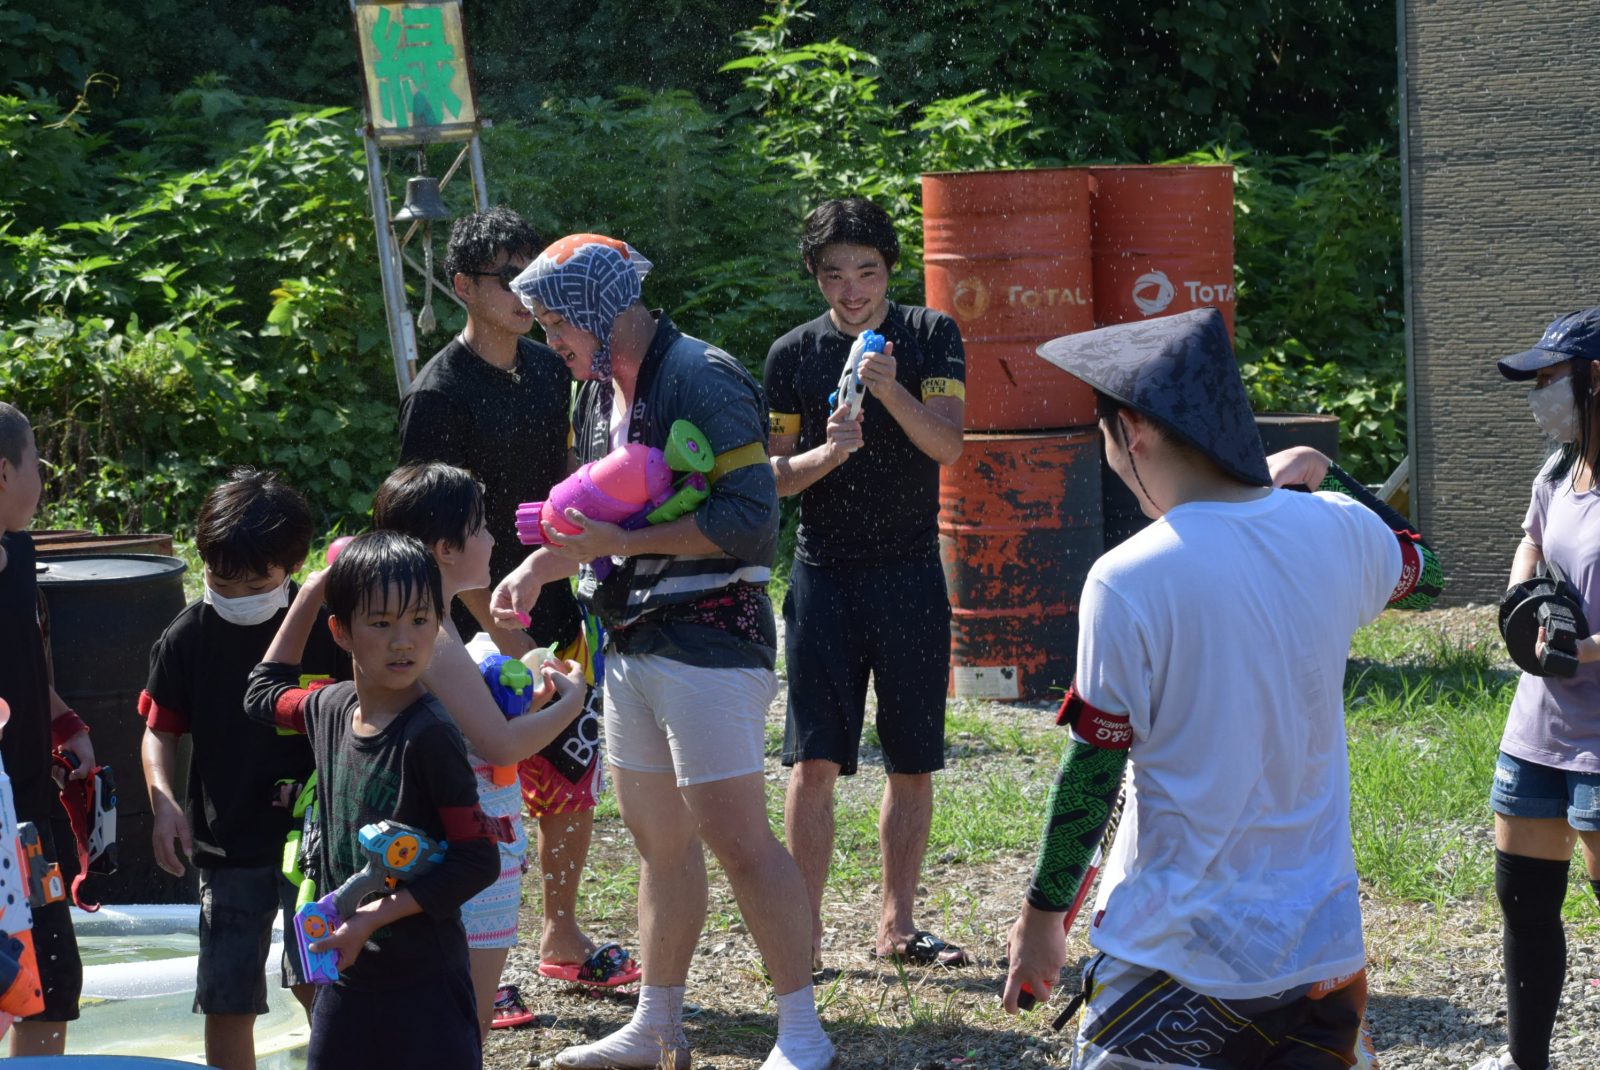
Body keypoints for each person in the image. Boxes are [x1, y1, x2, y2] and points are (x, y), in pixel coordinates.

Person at [1001, 309, 1441, 1069]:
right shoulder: (1337, 527)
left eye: (1104, 437)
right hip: (1320, 956)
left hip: (1173, 961)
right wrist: (1325, 470)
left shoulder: (1126, 577)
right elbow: (1427, 571)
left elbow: (1095, 767)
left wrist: (1042, 917)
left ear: (1131, 431)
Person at [492, 234, 835, 1070]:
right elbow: (600, 520)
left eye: (555, 323)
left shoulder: (702, 374)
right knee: (660, 842)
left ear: (598, 308)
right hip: (630, 639)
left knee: (738, 838)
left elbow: (750, 519)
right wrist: (539, 566)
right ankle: (656, 1025)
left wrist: (615, 541)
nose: (549, 340)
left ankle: (803, 1033)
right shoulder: (594, 392)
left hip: (712, 635)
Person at [397, 207, 614, 1009]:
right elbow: (428, 539)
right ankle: (474, 962)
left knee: (572, 770)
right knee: (476, 797)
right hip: (465, 627)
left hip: (550, 596)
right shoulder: (438, 395)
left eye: (532, 280)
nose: (525, 297)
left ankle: (562, 935)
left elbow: (566, 478)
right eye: (505, 281)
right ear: (462, 286)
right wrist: (511, 637)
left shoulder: (551, 369)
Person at [765, 196, 968, 971]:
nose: (851, 290)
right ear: (814, 275)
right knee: (813, 761)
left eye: (867, 272)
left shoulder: (930, 334)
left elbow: (948, 445)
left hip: (911, 573)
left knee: (912, 761)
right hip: (825, 575)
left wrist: (890, 391)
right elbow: (771, 477)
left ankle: (897, 925)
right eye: (834, 275)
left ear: (890, 270)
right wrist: (826, 453)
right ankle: (803, 933)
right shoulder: (792, 354)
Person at [243, 531, 502, 1069]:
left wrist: (371, 919)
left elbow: (477, 860)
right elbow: (261, 693)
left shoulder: (430, 736)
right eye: (381, 624)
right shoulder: (330, 708)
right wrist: (313, 591)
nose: (403, 642)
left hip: (424, 986)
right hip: (347, 980)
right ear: (341, 631)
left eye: (420, 620)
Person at [370, 461, 595, 1037]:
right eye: (481, 528)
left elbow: (467, 725)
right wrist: (570, 703)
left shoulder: (407, 625)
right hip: (463, 850)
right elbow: (499, 745)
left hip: (437, 841)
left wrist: (526, 699)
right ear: (445, 549)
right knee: (462, 1025)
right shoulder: (436, 636)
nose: (493, 540)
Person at [139, 468, 348, 1070]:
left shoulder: (330, 628)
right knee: (227, 995)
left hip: (316, 841)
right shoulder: (188, 637)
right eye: (221, 579)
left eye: (255, 582)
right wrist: (163, 802)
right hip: (226, 840)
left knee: (319, 981)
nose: (237, 594)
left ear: (293, 565)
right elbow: (158, 729)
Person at [1474, 308, 1600, 1070]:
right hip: (1539, 730)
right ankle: (1528, 1064)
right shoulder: (1559, 469)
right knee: (1524, 905)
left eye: (1550, 379)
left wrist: (1580, 651)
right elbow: (1531, 540)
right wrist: (1523, 605)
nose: (1539, 395)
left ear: (1596, 378)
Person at [0, 401, 91, 1056]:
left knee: (50, 982)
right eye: (37, 463)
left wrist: (64, 723)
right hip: (4, 817)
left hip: (31, 807)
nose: (42, 478)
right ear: (4, 472)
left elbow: (23, 664)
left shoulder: (17, 558)